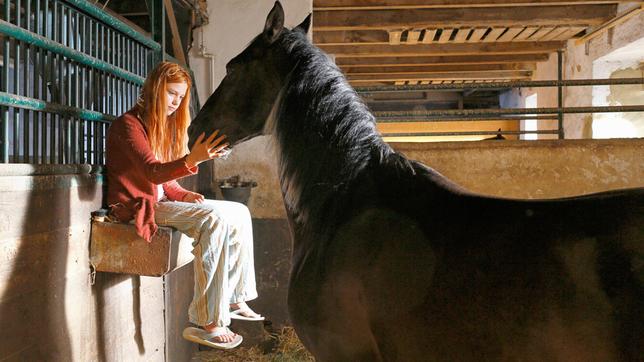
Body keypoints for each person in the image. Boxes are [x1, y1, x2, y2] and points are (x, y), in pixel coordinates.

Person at [106, 61, 262, 350]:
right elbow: (153, 172)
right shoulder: (129, 125)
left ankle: (235, 296)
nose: (176, 103)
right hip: (137, 205)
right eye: (171, 94)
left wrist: (183, 194)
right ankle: (209, 320)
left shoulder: (161, 128)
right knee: (213, 219)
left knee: (239, 212)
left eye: (180, 97)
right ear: (155, 89)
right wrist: (193, 160)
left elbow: (166, 183)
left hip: (161, 200)